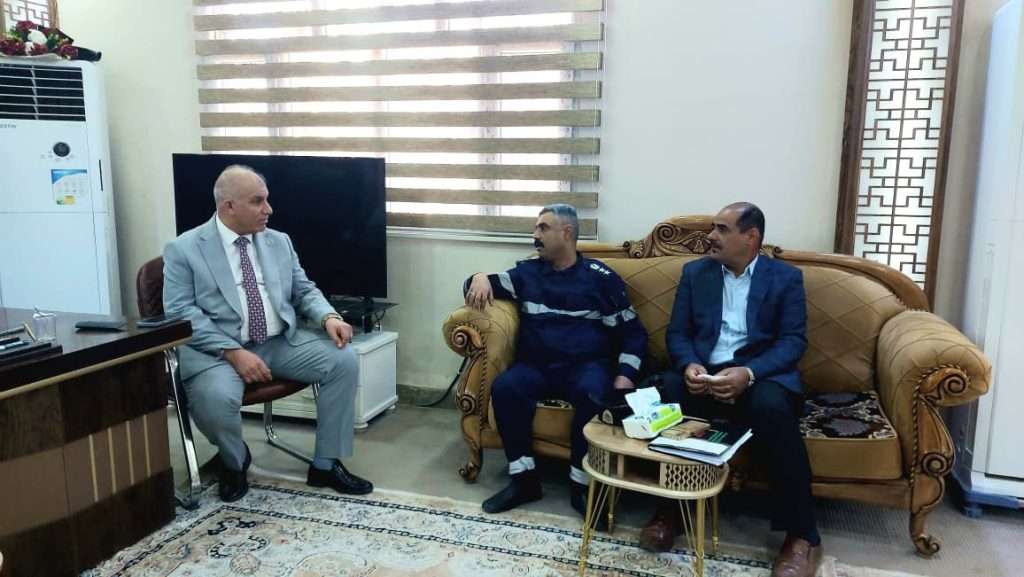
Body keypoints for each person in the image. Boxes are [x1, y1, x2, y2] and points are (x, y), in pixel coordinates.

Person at [163, 165, 372, 502]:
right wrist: (233, 352)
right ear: (229, 206)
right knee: (216, 399)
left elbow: (303, 289)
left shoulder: (278, 241)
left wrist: (328, 317)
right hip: (217, 352)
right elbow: (180, 312)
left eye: (267, 199)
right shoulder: (184, 248)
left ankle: (325, 463)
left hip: (277, 342)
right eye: (257, 201)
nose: (269, 209)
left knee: (343, 360)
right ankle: (234, 461)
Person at [641, 202, 821, 577]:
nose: (711, 236)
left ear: (750, 237)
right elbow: (678, 333)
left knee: (772, 407)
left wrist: (748, 373)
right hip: (704, 375)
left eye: (722, 229)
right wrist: (689, 364)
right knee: (666, 391)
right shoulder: (696, 273)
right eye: (714, 228)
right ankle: (670, 510)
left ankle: (801, 535)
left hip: (758, 378)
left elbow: (792, 341)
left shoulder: (785, 278)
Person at [463, 204, 647, 517]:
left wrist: (625, 376)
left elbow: (633, 334)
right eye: (536, 228)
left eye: (543, 228)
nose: (535, 235)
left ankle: (581, 484)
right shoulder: (527, 273)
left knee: (594, 393)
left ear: (567, 233)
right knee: (506, 387)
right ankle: (524, 480)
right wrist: (479, 277)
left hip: (585, 367)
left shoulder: (601, 279)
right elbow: (475, 286)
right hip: (537, 366)